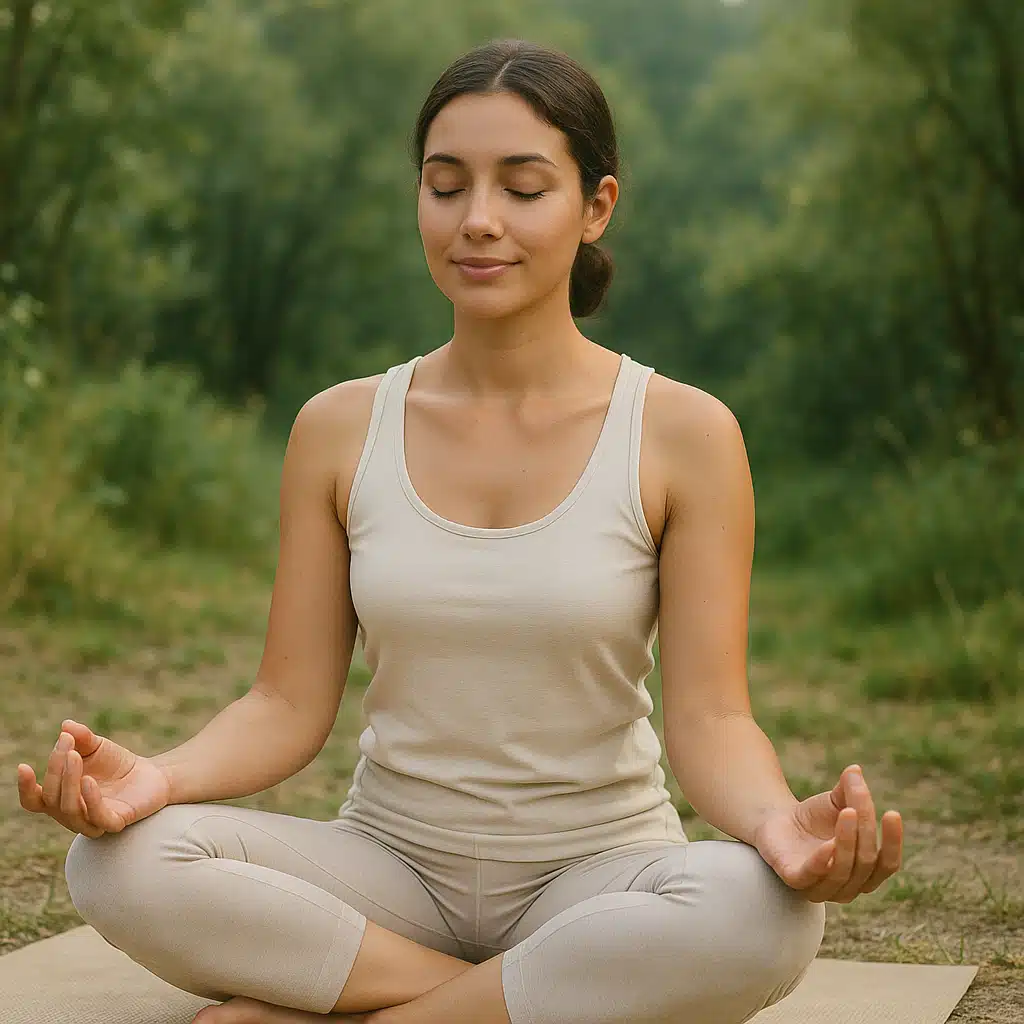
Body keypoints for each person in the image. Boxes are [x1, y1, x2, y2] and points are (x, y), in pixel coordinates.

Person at [16, 38, 903, 1024]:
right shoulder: (338, 426)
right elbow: (284, 699)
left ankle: (357, 1010)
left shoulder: (684, 432)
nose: (477, 221)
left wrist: (776, 823)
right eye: (446, 186)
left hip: (597, 877)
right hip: (390, 872)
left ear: (595, 205)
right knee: (115, 863)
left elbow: (710, 719)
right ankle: (513, 1002)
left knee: (763, 916)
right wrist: (160, 776)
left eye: (523, 188)